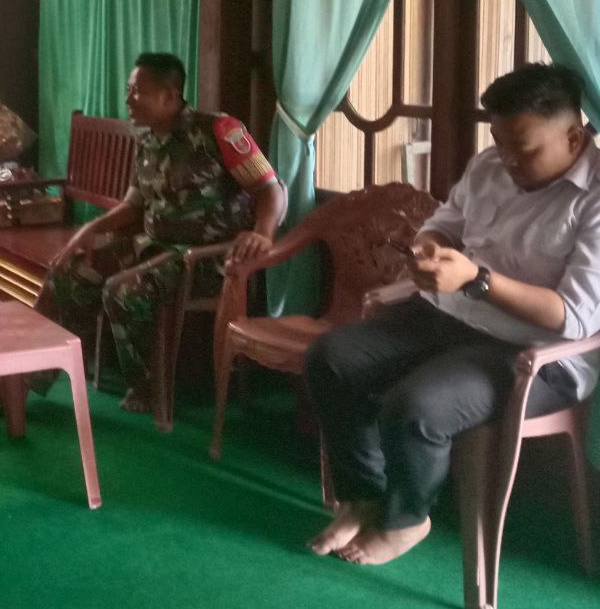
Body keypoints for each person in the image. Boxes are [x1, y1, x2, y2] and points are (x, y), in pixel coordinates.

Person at [304, 63, 600, 565]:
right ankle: (364, 497)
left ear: (574, 137)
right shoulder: (489, 165)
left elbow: (571, 316)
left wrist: (476, 280)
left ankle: (406, 519)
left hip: (536, 352)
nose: (507, 160)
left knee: (415, 406)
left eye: (523, 149)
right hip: (449, 316)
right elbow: (444, 222)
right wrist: (428, 248)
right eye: (499, 143)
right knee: (331, 358)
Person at [37, 52, 286, 411]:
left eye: (137, 91)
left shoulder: (219, 130)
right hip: (154, 248)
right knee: (67, 272)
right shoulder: (148, 142)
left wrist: (263, 233)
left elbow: (270, 188)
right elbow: (133, 205)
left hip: (207, 260)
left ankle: (148, 388)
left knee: (122, 291)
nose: (129, 99)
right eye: (128, 90)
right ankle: (32, 376)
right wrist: (88, 230)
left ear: (169, 95)